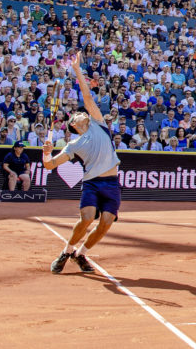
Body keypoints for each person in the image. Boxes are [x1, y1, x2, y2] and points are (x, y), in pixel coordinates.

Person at [41, 52, 121, 275]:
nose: (80, 114)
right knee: (87, 218)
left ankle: (81, 254)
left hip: (112, 183)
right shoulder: (74, 145)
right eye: (76, 115)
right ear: (73, 125)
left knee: (106, 222)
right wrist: (46, 154)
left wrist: (77, 70)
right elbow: (49, 166)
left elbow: (87, 97)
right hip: (92, 184)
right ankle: (66, 252)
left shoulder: (98, 123)